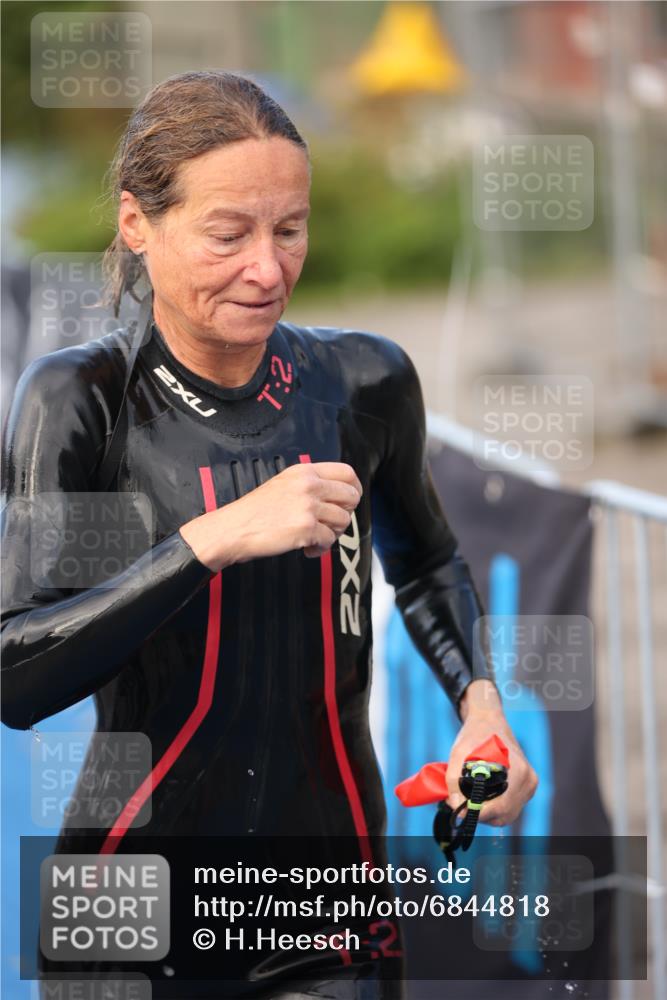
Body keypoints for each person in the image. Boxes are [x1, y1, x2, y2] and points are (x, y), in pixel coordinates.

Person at [1, 71, 537, 1000]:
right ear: (136, 223)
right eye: (228, 234)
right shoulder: (83, 401)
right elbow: (18, 676)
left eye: (289, 229)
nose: (267, 268)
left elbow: (426, 563)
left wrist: (480, 707)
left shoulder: (362, 384)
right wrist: (209, 543)